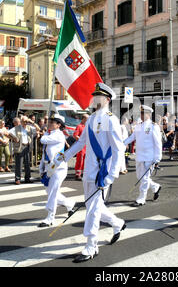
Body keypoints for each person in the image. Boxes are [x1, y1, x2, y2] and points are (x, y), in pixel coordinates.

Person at [58, 83, 126, 263]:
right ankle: (117, 223)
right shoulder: (91, 119)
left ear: (107, 99)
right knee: (92, 206)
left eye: (99, 96)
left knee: (93, 210)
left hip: (102, 173)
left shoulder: (111, 119)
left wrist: (112, 175)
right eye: (94, 95)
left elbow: (118, 148)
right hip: (89, 170)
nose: (95, 98)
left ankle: (91, 245)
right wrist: (64, 156)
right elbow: (81, 143)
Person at [38, 114, 76, 227]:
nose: (49, 123)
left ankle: (50, 218)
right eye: (49, 121)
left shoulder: (58, 135)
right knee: (50, 191)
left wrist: (45, 132)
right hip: (48, 168)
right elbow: (45, 154)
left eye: (52, 122)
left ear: (59, 125)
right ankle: (69, 204)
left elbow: (42, 140)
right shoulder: (51, 134)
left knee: (52, 194)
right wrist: (41, 168)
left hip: (58, 168)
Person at [124, 105, 163, 207]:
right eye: (140, 113)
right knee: (140, 177)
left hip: (149, 157)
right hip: (140, 156)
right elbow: (132, 137)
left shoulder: (153, 126)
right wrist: (122, 143)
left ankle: (141, 199)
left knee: (145, 178)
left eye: (143, 113)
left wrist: (157, 158)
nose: (141, 115)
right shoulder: (138, 126)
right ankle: (155, 187)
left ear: (149, 114)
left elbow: (158, 143)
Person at [8, 116, 36, 185]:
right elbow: (7, 133)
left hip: (27, 146)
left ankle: (27, 178)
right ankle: (17, 179)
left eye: (26, 121)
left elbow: (37, 129)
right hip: (20, 147)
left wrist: (31, 122)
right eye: (24, 121)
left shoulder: (29, 128)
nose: (26, 123)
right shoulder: (17, 128)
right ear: (21, 121)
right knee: (19, 164)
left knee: (27, 163)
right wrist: (13, 138)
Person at [73, 114, 89, 180]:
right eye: (87, 119)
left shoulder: (87, 126)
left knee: (85, 159)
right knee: (80, 159)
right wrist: (81, 141)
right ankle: (77, 174)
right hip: (81, 146)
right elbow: (75, 135)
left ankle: (83, 172)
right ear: (83, 119)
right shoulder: (79, 126)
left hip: (86, 146)